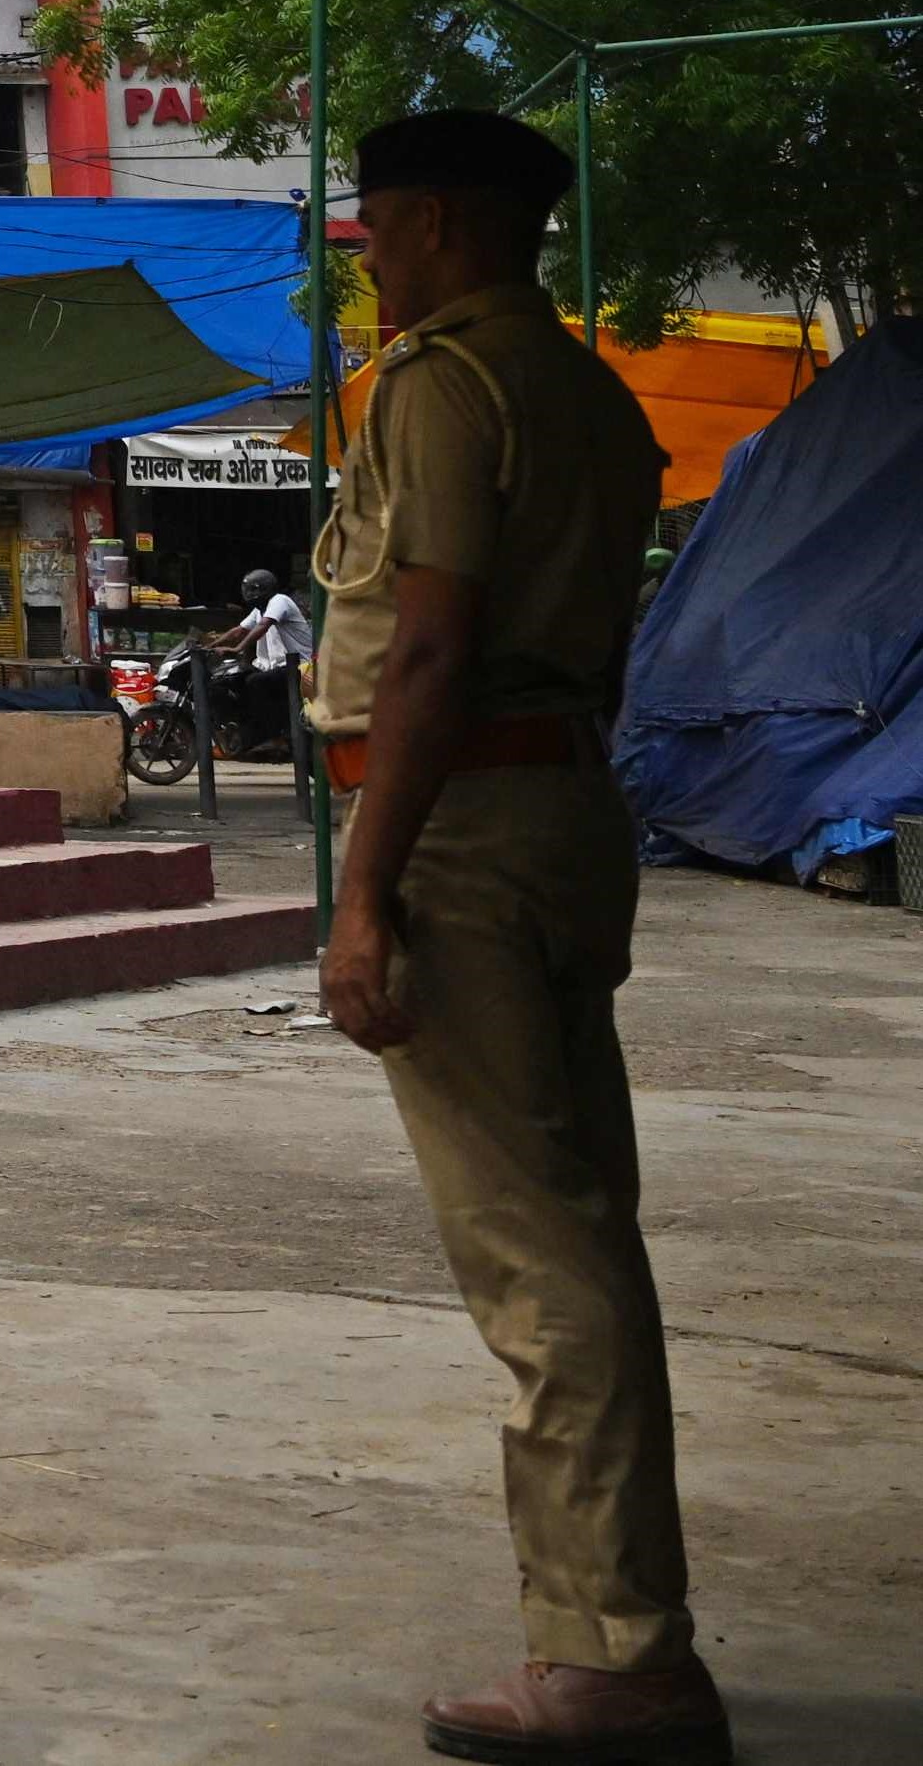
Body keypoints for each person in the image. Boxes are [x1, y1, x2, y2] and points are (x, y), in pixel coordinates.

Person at [309, 109, 715, 1766]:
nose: (371, 265)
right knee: (581, 1223)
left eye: (378, 234)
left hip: (462, 823)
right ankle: (620, 1630)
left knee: (535, 1259)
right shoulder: (588, 392)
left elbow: (423, 650)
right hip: (557, 810)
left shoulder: (438, 386)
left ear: (432, 227)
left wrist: (359, 892)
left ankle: (613, 1653)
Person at [220, 566, 312, 757]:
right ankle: (246, 731)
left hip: (303, 666)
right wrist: (212, 644)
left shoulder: (279, 601)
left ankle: (271, 733)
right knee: (237, 678)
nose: (248, 594)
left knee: (256, 683)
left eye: (253, 590)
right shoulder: (259, 609)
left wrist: (237, 648)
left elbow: (263, 626)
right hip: (280, 666)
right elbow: (239, 630)